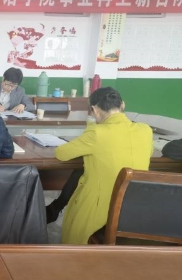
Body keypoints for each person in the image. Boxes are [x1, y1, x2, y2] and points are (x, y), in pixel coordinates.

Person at [50, 87, 153, 244]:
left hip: (101, 211)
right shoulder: (145, 130)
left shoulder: (96, 133)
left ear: (94, 110)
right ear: (123, 105)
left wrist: (91, 127)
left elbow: (61, 153)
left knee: (74, 219)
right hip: (136, 210)